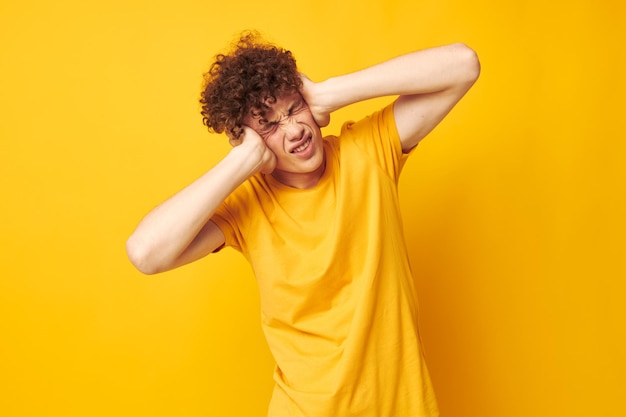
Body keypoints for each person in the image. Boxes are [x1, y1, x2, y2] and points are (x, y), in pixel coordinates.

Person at [126, 31, 480, 417]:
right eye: (269, 126)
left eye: (295, 109)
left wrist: (332, 92)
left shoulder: (367, 151)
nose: (294, 130)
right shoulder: (247, 204)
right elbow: (146, 253)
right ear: (246, 140)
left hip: (402, 406)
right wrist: (239, 164)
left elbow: (463, 65)